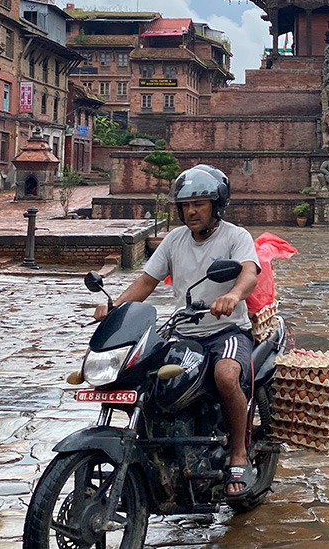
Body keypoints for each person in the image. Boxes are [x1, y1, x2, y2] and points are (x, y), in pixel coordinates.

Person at [93, 165, 261, 495]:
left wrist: (232, 295)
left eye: (199, 203)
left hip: (226, 331)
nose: (192, 211)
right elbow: (146, 282)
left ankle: (239, 454)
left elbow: (249, 273)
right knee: (145, 377)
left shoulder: (235, 236)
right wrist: (115, 309)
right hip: (184, 333)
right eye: (185, 205)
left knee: (226, 375)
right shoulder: (174, 240)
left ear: (217, 205)